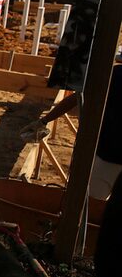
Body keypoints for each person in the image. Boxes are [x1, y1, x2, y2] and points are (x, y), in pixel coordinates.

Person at [21, 62, 122, 200]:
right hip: (105, 156)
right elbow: (77, 98)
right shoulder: (114, 75)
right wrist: (44, 121)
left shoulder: (114, 74)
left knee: (90, 206)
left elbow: (76, 98)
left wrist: (44, 121)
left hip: (105, 158)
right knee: (91, 207)